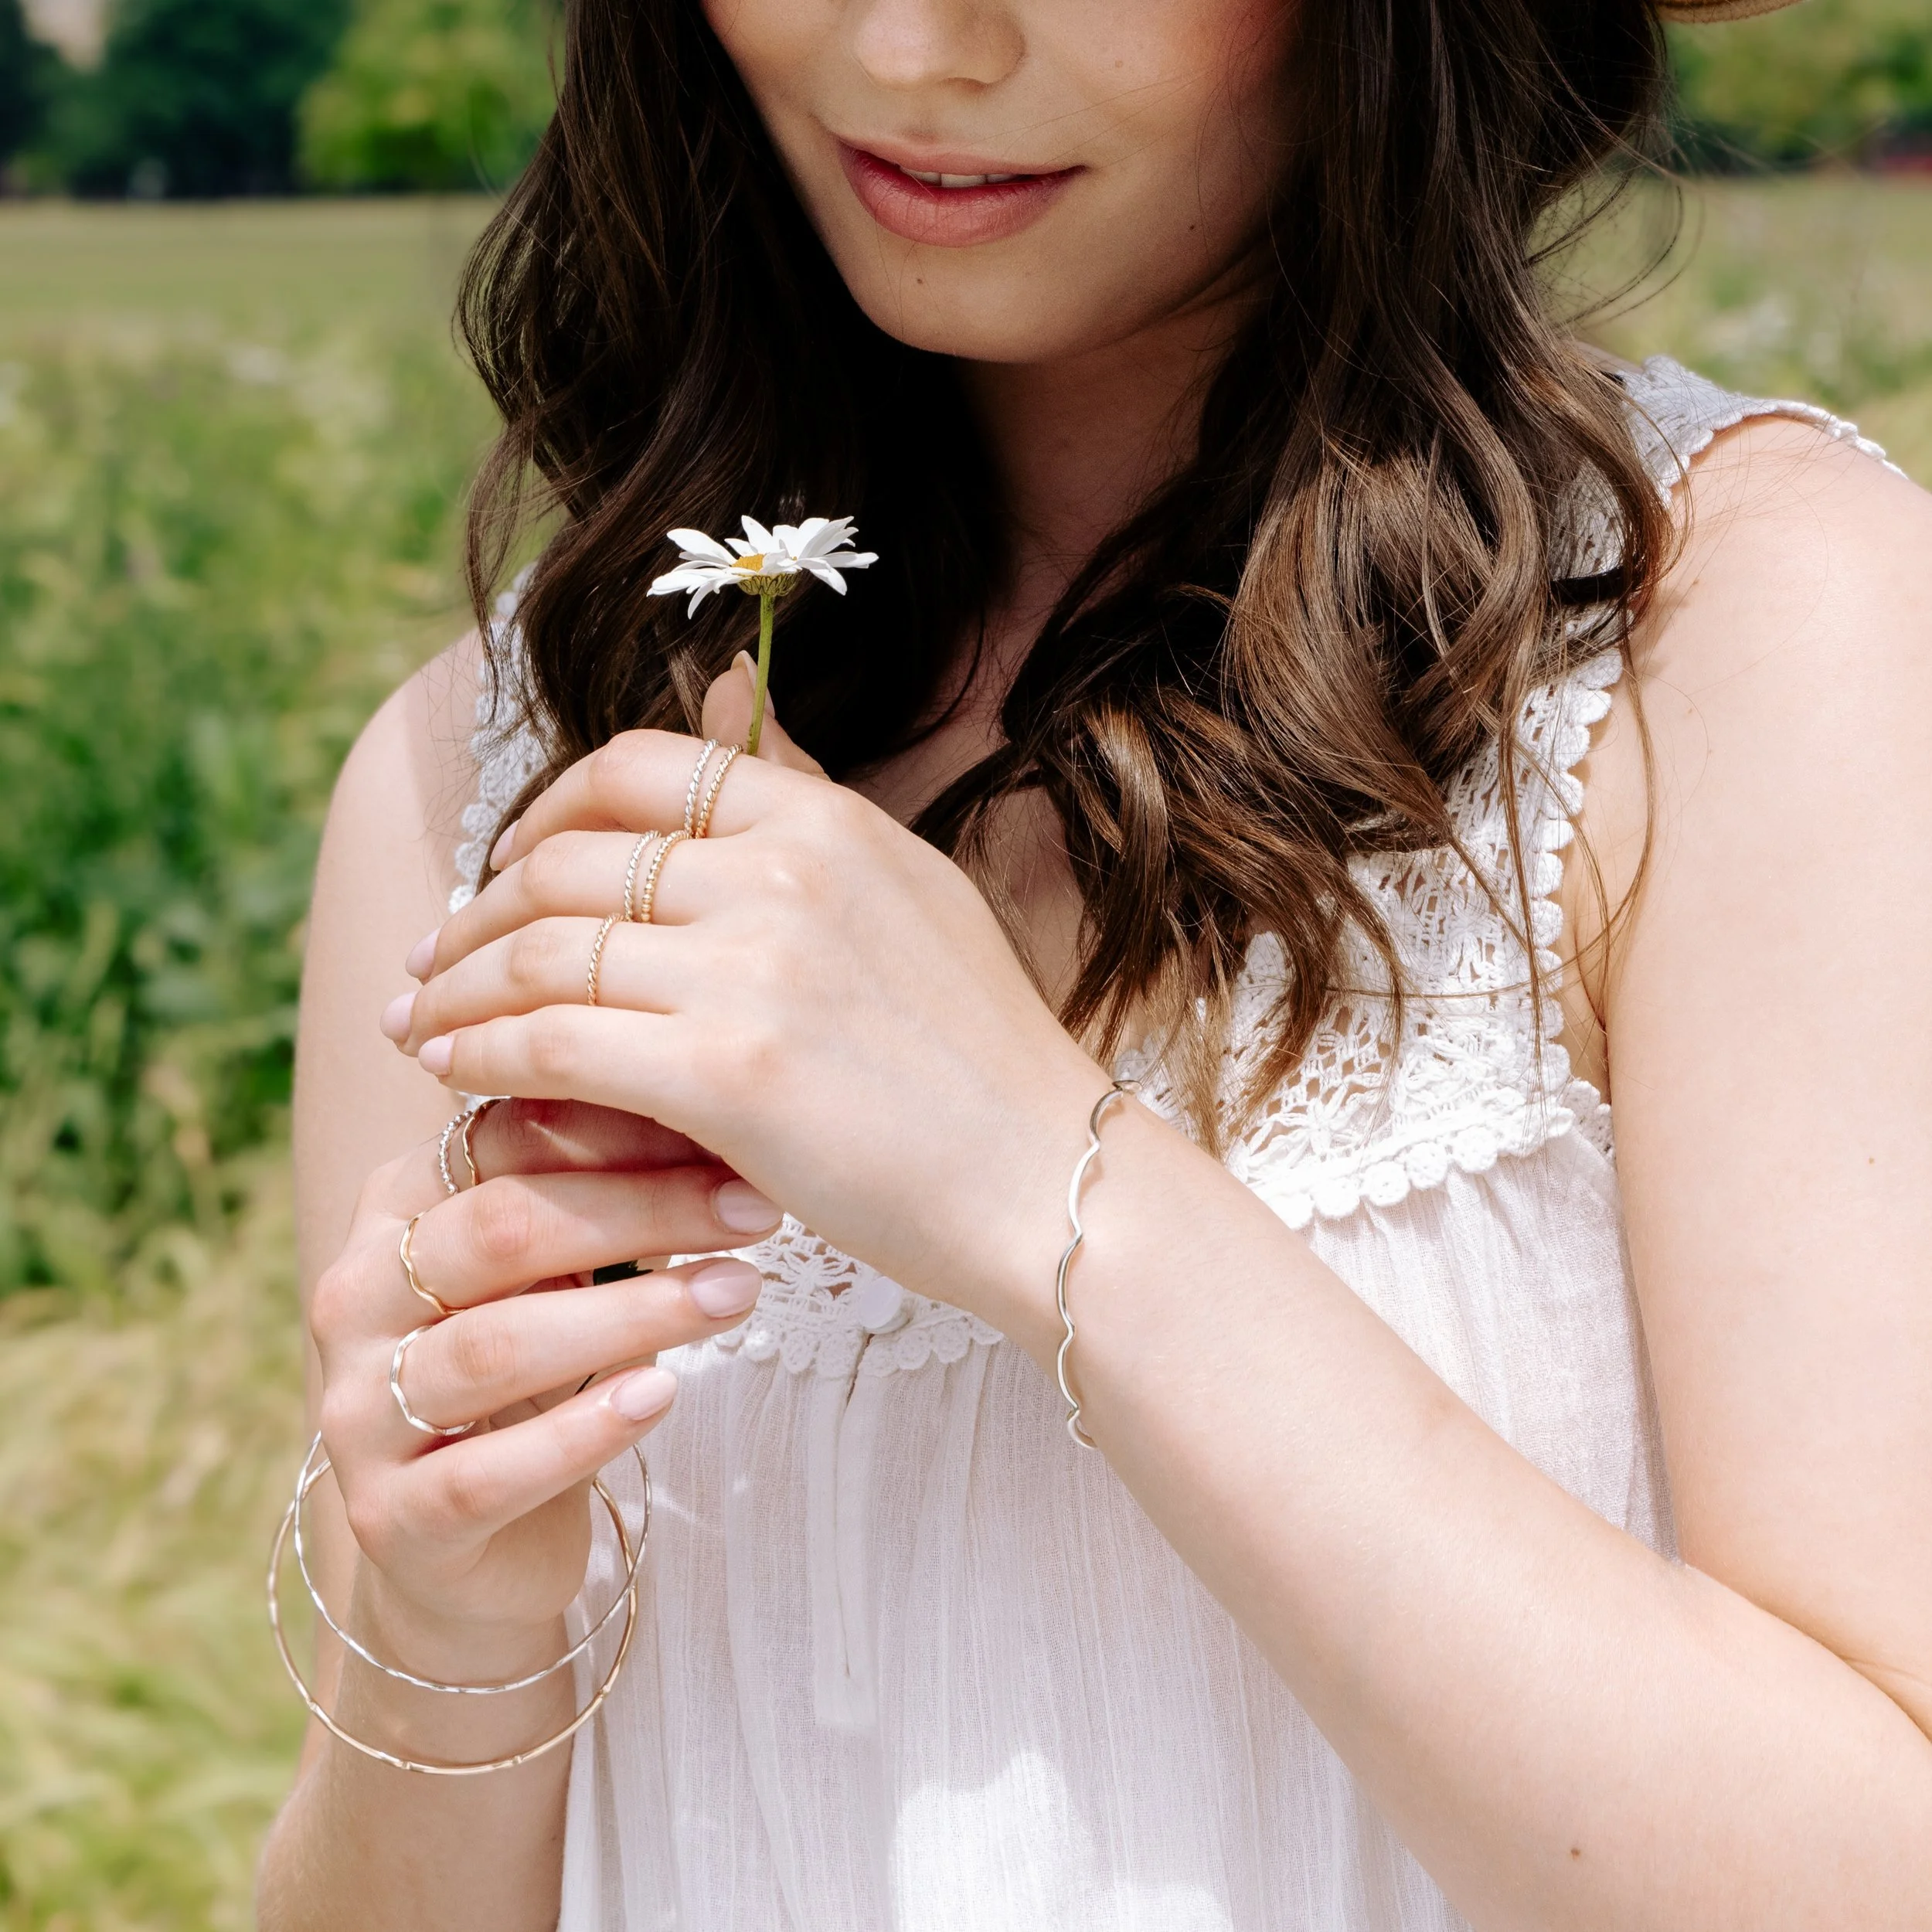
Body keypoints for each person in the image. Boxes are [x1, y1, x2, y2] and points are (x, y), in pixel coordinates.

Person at [256, 0, 1932, 1923]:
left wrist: (1046, 1184)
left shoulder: (1735, 633)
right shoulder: (485, 773)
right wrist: (445, 1618)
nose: (911, 50)